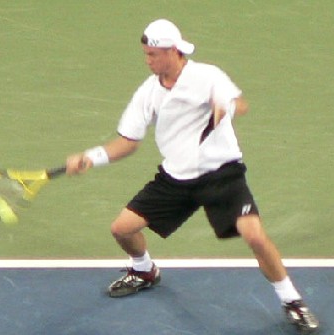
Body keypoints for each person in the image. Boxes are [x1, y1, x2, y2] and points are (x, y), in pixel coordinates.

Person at [66, 19, 319, 333]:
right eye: (145, 54)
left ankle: (291, 300)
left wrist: (224, 105)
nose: (148, 61)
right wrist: (92, 157)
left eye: (153, 55)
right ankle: (144, 271)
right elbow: (128, 142)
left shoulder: (206, 76)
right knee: (122, 229)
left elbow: (239, 104)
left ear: (173, 51)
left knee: (254, 234)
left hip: (222, 175)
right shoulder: (147, 93)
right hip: (176, 179)